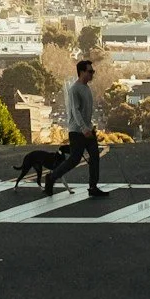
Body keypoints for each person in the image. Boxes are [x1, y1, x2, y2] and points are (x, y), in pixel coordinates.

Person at [44, 59, 103, 196]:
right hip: (77, 131)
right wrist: (83, 128)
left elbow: (85, 111)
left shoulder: (86, 88)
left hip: (88, 130)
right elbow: (75, 111)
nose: (92, 74)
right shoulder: (74, 90)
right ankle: (51, 177)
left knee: (95, 157)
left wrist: (90, 127)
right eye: (90, 71)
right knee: (74, 159)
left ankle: (93, 187)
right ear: (81, 72)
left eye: (92, 71)